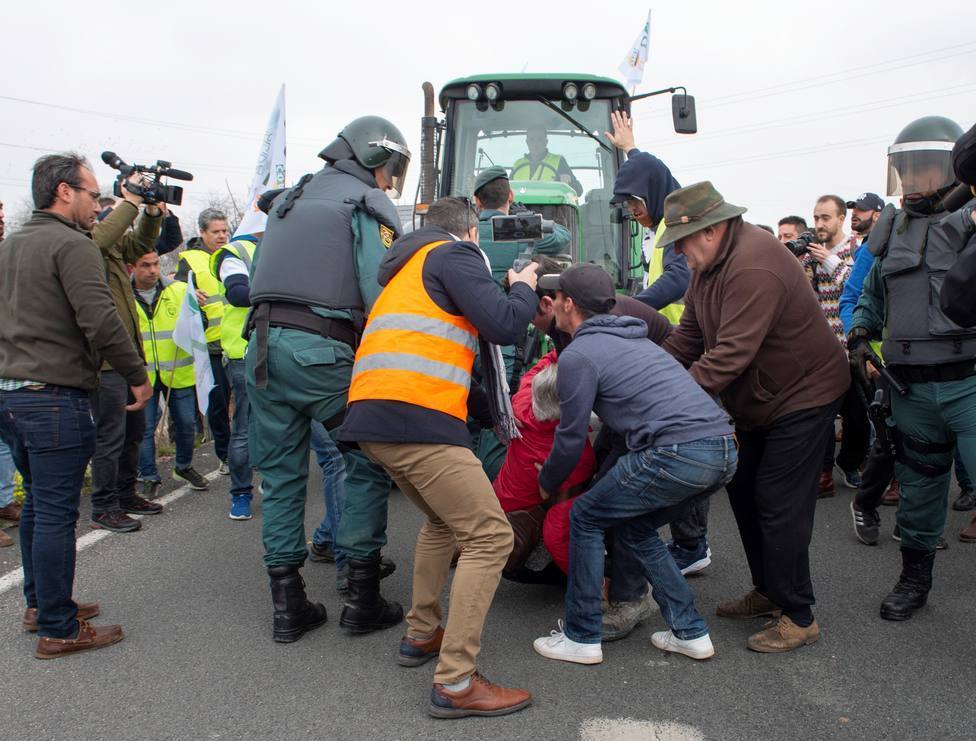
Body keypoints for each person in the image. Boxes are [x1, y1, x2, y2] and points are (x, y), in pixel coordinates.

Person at [340, 196, 536, 719]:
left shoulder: (403, 271)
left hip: (376, 419)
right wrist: (524, 286)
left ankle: (422, 633)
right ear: (470, 232)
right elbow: (503, 324)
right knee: (491, 536)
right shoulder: (454, 255)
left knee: (442, 523)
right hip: (417, 421)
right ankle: (455, 682)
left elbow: (436, 353)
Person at [661, 181, 849, 653]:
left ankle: (799, 614)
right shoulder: (706, 267)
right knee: (744, 490)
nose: (678, 252)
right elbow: (688, 338)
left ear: (709, 230)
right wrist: (644, 376)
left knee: (777, 499)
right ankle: (770, 591)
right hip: (762, 398)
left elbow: (727, 356)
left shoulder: (753, 265)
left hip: (804, 393)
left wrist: (663, 402)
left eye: (681, 241)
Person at [246, 116, 409, 643]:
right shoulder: (365, 204)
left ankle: (288, 603)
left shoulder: (289, 201)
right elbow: (378, 287)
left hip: (263, 351)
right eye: (390, 167)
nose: (389, 179)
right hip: (324, 355)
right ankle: (362, 596)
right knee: (365, 459)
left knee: (282, 475)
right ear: (373, 157)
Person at [530, 264, 736, 666]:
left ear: (568, 304)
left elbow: (571, 438)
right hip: (724, 450)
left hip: (675, 452)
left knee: (586, 517)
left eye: (555, 298)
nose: (551, 304)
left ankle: (582, 635)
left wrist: (547, 483)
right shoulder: (639, 342)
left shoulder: (581, 354)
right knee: (635, 527)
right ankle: (690, 631)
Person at [0, 152, 152, 657]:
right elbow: (101, 320)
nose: (96, 204)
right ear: (65, 191)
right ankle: (59, 629)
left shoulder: (11, 245)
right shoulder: (73, 245)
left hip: (11, 396)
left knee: (39, 506)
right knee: (56, 513)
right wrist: (136, 375)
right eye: (91, 194)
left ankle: (42, 605)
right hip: (53, 396)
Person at [848, 115, 976, 617]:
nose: (913, 181)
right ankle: (913, 580)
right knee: (920, 490)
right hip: (911, 387)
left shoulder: (968, 223)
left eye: (924, 169)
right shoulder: (891, 230)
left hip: (968, 382)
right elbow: (871, 296)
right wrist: (860, 335)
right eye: (907, 170)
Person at [469, 165, 572, 479]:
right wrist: (522, 212)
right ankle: (495, 498)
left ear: (476, 201)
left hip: (463, 344)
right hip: (504, 347)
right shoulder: (516, 227)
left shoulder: (467, 231)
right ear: (509, 196)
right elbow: (562, 237)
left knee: (468, 418)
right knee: (499, 424)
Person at [88, 171, 169, 532]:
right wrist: (130, 201)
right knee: (110, 436)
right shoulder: (86, 243)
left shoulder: (114, 249)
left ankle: (125, 493)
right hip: (103, 363)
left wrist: (151, 213)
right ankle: (103, 505)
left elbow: (140, 244)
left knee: (134, 431)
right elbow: (103, 237)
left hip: (128, 358)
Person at [492, 349, 596, 575]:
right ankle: (594, 581)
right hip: (520, 530)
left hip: (498, 507)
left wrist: (564, 350)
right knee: (562, 527)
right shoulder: (572, 455)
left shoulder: (523, 400)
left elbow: (542, 365)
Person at [802, 195, 867, 496]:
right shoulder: (809, 254)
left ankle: (850, 462)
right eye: (816, 218)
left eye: (825, 217)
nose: (819, 224)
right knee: (822, 416)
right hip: (821, 352)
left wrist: (828, 261)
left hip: (851, 347)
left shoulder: (856, 249)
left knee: (857, 417)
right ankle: (823, 473)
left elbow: (859, 288)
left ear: (841, 218)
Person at [131, 251, 208, 497]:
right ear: (133, 267)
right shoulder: (123, 295)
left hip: (178, 371)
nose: (153, 270)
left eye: (155, 264)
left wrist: (196, 308)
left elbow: (199, 324)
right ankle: (149, 476)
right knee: (145, 428)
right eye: (145, 265)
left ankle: (183, 465)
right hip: (143, 375)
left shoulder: (179, 290)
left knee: (186, 424)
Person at [606, 110, 689, 324]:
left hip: (681, 336)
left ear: (653, 192)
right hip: (665, 333)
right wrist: (630, 149)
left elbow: (678, 278)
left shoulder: (676, 226)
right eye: (628, 203)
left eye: (636, 200)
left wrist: (629, 307)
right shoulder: (656, 229)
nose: (632, 209)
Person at [176, 209, 231, 474]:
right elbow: (177, 293)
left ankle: (245, 453)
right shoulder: (189, 260)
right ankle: (225, 455)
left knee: (245, 405)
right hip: (210, 347)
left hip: (235, 342)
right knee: (219, 405)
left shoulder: (232, 254)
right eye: (216, 232)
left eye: (224, 230)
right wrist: (189, 294)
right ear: (202, 233)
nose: (221, 236)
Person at [210, 229, 259, 520]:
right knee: (243, 427)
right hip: (244, 352)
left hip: (279, 347)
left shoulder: (288, 242)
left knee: (281, 426)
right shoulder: (236, 251)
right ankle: (241, 493)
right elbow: (239, 294)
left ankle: (276, 481)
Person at [511, 124, 582, 195]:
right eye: (532, 139)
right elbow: (507, 190)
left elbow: (578, 191)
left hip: (550, 205)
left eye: (540, 139)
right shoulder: (518, 164)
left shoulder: (558, 161)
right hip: (521, 205)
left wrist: (570, 183)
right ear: (527, 142)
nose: (535, 144)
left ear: (546, 142)